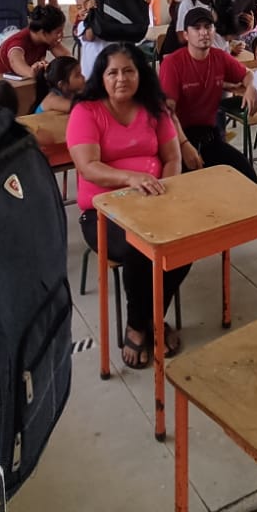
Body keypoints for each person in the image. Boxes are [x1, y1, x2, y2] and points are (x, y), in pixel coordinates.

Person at [66, 43, 190, 369]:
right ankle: (138, 324)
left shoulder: (154, 108)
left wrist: (166, 192)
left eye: (129, 71)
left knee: (185, 242)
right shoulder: (86, 111)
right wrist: (131, 178)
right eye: (113, 72)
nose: (121, 78)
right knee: (141, 247)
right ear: (102, 77)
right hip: (103, 212)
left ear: (140, 74)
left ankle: (151, 318)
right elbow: (88, 167)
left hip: (155, 201)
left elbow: (172, 158)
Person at [158, 7, 257, 182]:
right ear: (186, 35)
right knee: (189, 186)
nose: (203, 32)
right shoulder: (172, 63)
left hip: (209, 136)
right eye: (197, 28)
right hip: (177, 137)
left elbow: (248, 75)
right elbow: (167, 113)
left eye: (208, 27)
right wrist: (184, 145)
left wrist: (251, 89)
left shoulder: (219, 57)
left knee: (247, 176)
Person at [0, 5, 71, 78]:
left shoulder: (46, 39)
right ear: (43, 33)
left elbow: (67, 59)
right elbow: (15, 63)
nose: (62, 35)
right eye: (58, 32)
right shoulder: (18, 42)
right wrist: (34, 72)